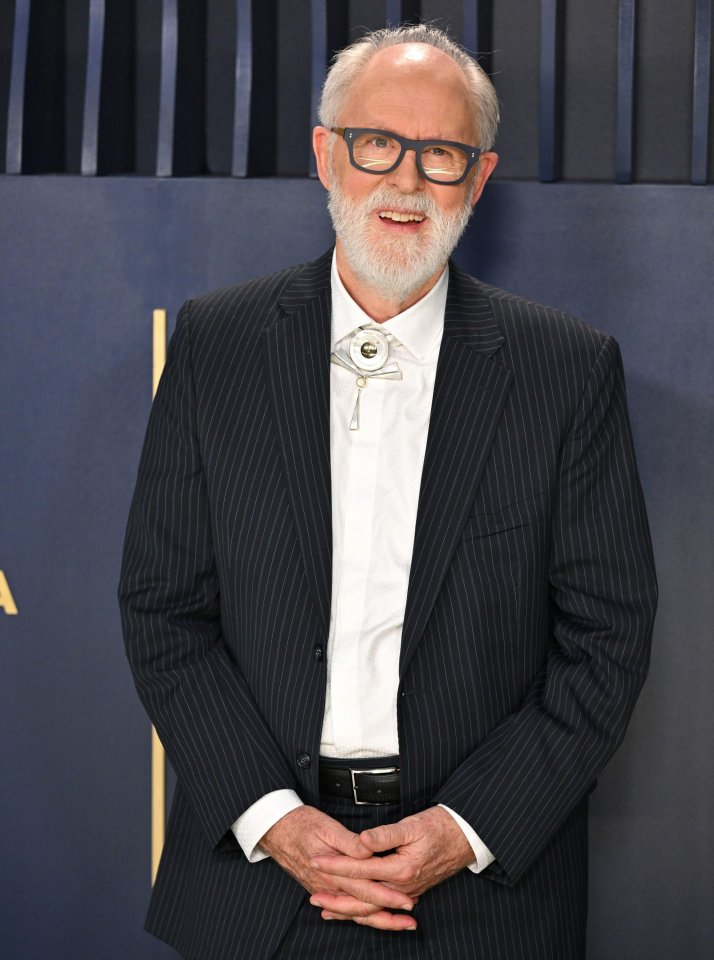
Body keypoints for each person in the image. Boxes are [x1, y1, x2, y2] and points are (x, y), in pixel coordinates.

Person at [119, 23, 657, 960]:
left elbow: (607, 639)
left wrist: (465, 828)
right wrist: (272, 817)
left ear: (478, 180)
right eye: (378, 144)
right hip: (254, 892)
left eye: (441, 154)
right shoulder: (219, 345)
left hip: (483, 900)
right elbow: (164, 608)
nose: (406, 181)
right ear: (328, 154)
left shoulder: (566, 371)